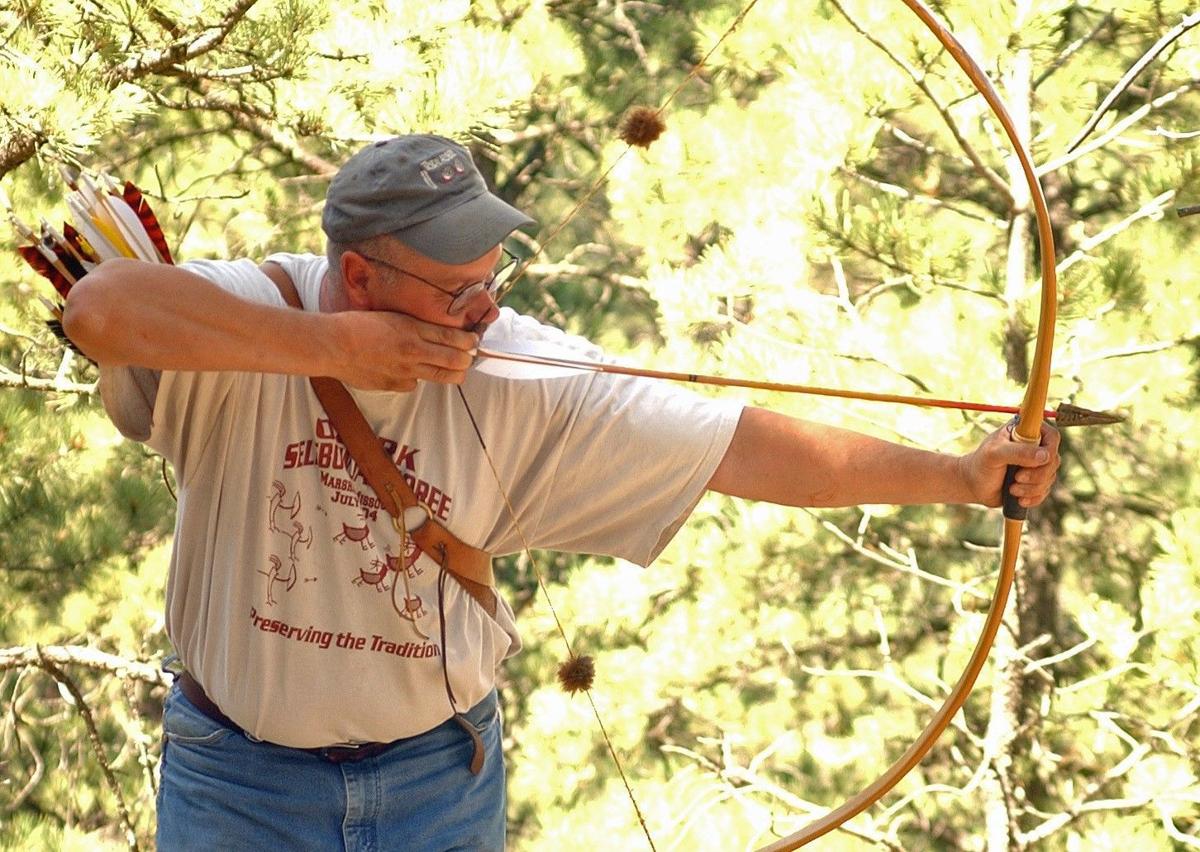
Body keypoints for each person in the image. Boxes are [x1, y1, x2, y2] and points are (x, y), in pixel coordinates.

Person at [63, 134, 1060, 851]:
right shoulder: (248, 316)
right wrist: (326, 351)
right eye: (458, 293)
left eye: (495, 278)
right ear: (357, 279)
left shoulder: (517, 370)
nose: (487, 309)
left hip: (434, 785)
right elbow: (100, 309)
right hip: (241, 785)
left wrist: (956, 477)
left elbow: (743, 448)